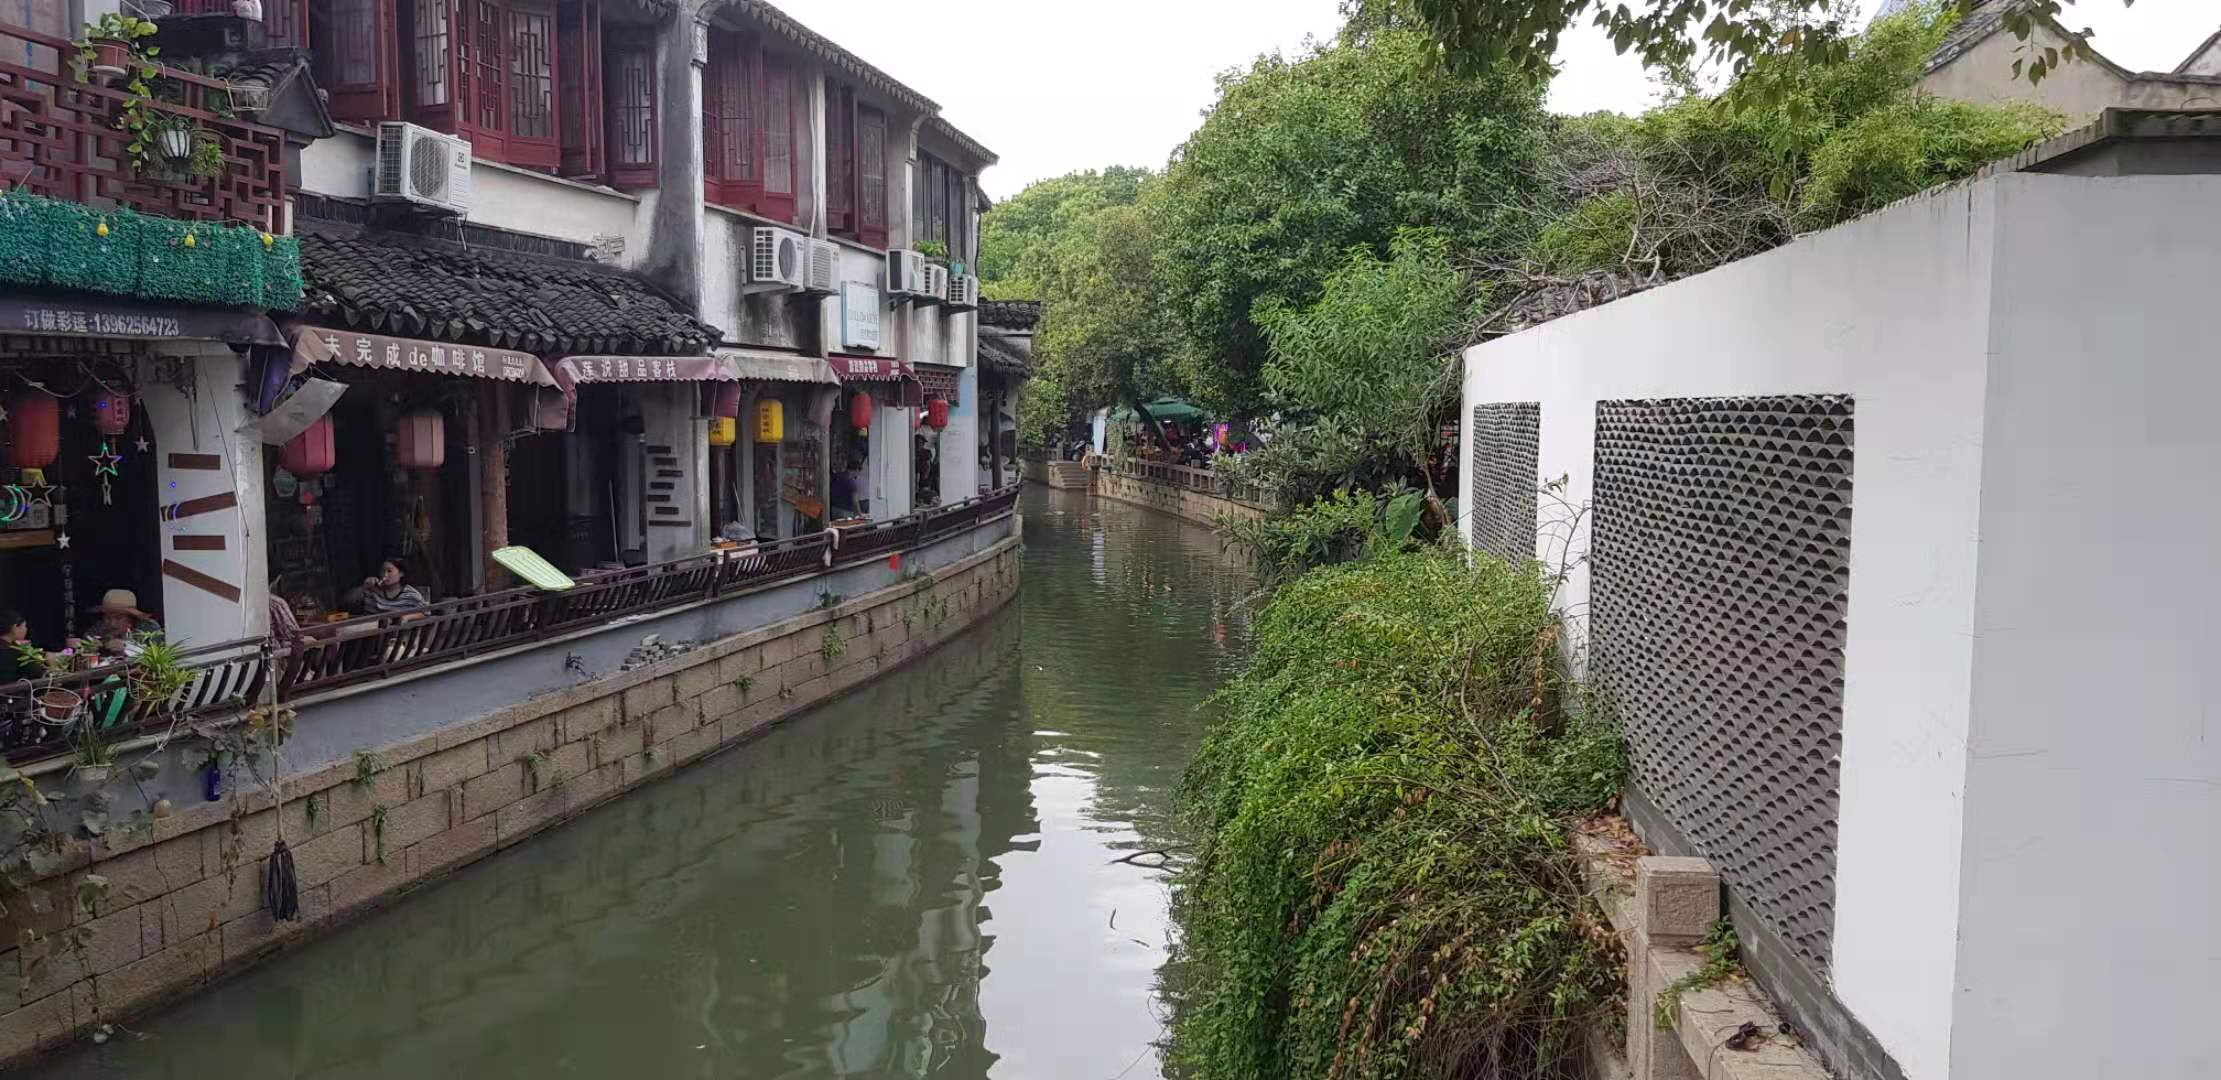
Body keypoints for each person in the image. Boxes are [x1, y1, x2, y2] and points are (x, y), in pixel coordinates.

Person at [77, 589, 161, 659]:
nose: (112, 623)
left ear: (131, 618)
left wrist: (127, 648)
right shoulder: (99, 628)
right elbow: (84, 644)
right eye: (108, 618)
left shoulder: (148, 628)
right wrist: (90, 649)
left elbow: (157, 655)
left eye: (118, 618)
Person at [348, 558, 428, 616]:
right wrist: (364, 587)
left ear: (401, 574)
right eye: (383, 571)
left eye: (389, 571)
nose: (385, 575)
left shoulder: (410, 595)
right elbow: (347, 602)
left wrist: (406, 618)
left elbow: (425, 613)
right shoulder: (373, 590)